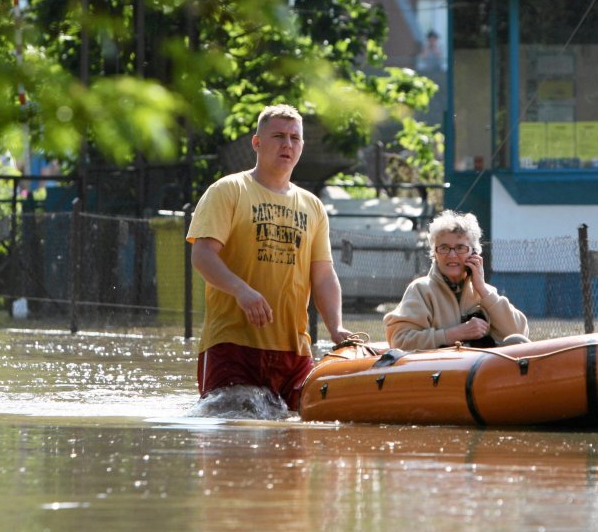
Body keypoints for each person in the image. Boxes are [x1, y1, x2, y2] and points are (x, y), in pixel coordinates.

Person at [187, 103, 353, 411]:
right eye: (278, 136)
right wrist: (241, 290)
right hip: (233, 345)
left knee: (293, 446)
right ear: (257, 143)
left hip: (294, 351)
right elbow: (202, 255)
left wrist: (336, 327)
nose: (287, 144)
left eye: (295, 138)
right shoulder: (229, 190)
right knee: (233, 440)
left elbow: (324, 275)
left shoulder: (313, 206)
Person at [383, 210, 529, 350]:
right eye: (444, 248)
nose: (452, 255)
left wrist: (483, 290)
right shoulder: (421, 290)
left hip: (485, 372)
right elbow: (399, 341)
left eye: (460, 248)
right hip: (439, 372)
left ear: (474, 253)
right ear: (434, 253)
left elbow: (520, 335)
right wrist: (453, 334)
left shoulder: (485, 293)